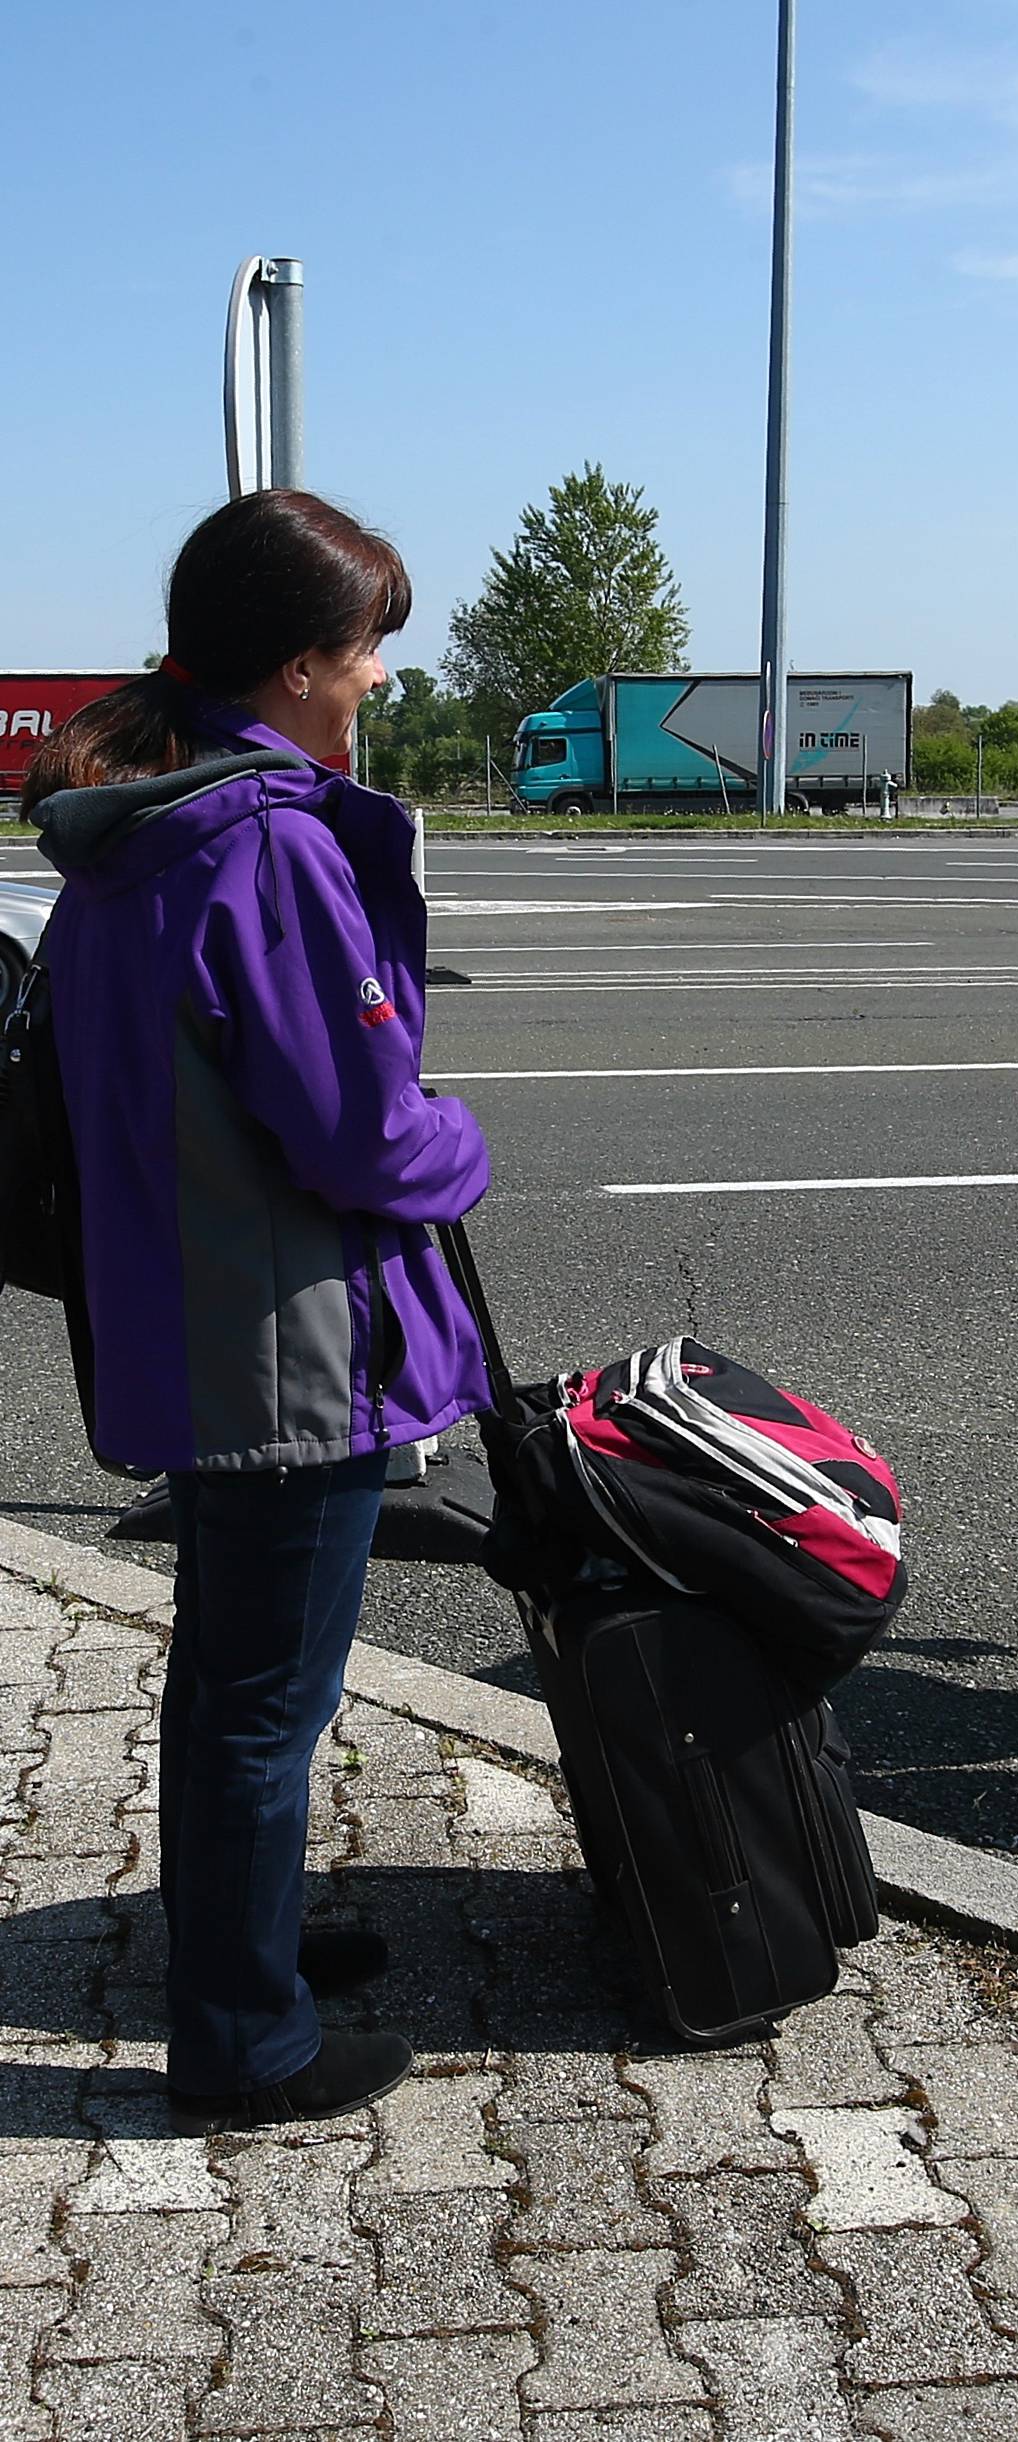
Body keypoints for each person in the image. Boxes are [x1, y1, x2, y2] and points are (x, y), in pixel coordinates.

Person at [24, 491, 491, 2130]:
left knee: (225, 1685)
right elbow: (364, 1125)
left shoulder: (130, 835)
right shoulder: (269, 843)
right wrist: (466, 1142)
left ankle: (247, 1945)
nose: (373, 682)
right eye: (366, 655)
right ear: (300, 664)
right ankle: (247, 2040)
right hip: (288, 1346)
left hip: (185, 1326)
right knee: (261, 1708)